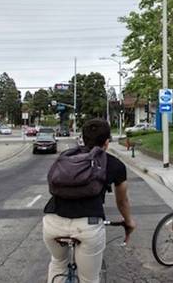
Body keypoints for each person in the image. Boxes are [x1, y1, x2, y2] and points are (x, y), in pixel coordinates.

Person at [42, 118, 135, 283]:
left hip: (52, 221)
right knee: (89, 278)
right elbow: (122, 201)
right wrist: (129, 223)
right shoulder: (115, 165)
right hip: (87, 226)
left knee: (58, 262)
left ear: (83, 139)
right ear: (107, 142)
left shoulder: (66, 157)